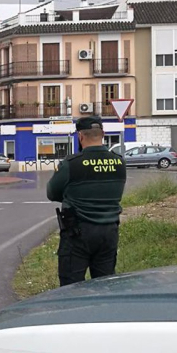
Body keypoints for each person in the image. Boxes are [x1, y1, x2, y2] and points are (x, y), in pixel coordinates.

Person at [46, 116, 127, 286]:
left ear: (80, 136)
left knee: (71, 288)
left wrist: (73, 196)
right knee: (105, 286)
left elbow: (52, 193)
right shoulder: (119, 162)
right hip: (109, 232)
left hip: (78, 233)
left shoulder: (71, 164)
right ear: (103, 134)